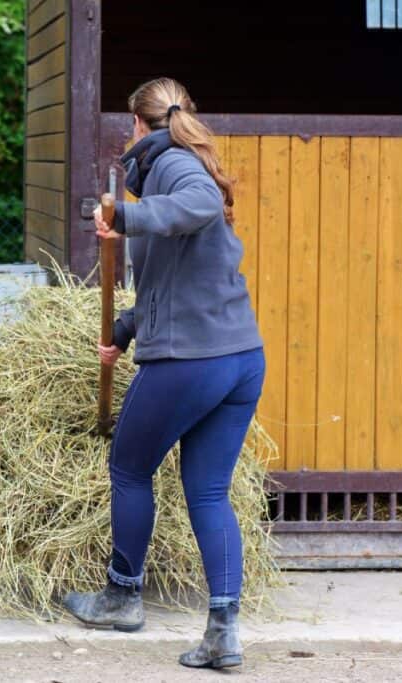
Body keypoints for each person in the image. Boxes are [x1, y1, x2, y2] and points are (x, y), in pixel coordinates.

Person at [62, 77, 265, 670]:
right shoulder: (175, 164)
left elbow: (198, 205)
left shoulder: (175, 166)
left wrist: (125, 215)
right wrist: (121, 335)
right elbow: (170, 287)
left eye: (129, 125)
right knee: (207, 490)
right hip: (239, 360)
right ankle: (224, 631)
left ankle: (122, 597)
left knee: (129, 468)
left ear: (138, 126)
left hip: (189, 364)